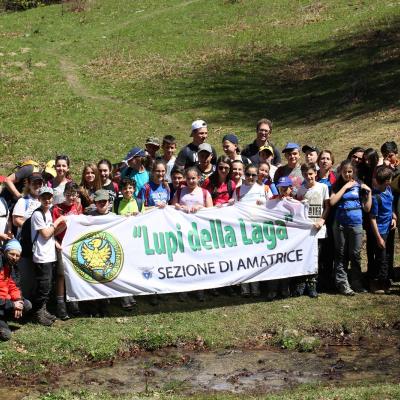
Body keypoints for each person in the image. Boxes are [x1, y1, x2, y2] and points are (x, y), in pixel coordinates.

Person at [330, 160, 372, 295]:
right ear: (340, 172)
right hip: (340, 224)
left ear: (353, 172)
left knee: (355, 254)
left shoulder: (360, 185)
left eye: (350, 172)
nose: (347, 174)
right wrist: (345, 187)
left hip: (356, 224)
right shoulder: (337, 185)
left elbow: (367, 208)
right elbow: (332, 201)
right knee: (341, 254)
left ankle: (356, 282)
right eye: (344, 172)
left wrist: (369, 193)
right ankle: (342, 284)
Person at [172, 167, 212, 302]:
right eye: (188, 178)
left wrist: (201, 208)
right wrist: (178, 207)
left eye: (193, 178)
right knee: (184, 261)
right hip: (183, 233)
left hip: (200, 234)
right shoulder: (180, 191)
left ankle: (200, 290)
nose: (190, 181)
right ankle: (184, 290)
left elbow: (212, 212)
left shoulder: (205, 193)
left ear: (199, 178)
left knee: (200, 261)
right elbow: (171, 209)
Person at [295, 163, 330, 298]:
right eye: (305, 174)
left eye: (311, 174)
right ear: (302, 175)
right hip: (305, 231)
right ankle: (301, 283)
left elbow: (327, 206)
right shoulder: (300, 190)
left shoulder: (323, 187)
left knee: (316, 257)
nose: (308, 176)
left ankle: (312, 284)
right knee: (304, 256)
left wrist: (322, 220)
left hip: (318, 228)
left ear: (315, 173)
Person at [31, 186, 65, 326]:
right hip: (41, 255)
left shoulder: (49, 213)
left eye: (49, 197)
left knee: (48, 285)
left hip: (49, 254)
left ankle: (43, 310)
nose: (47, 200)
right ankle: (37, 313)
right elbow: (45, 234)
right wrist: (57, 222)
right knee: (43, 286)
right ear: (39, 198)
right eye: (44, 197)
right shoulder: (37, 214)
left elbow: (51, 233)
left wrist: (62, 226)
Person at [52, 182, 83, 320]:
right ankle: (60, 303)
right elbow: (53, 231)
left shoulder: (78, 206)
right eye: (69, 195)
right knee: (60, 274)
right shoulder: (57, 209)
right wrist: (65, 222)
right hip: (61, 244)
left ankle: (74, 301)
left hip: (74, 244)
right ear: (64, 194)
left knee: (74, 273)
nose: (71, 197)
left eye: (74, 195)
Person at [12, 173, 43, 299]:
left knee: (38, 276)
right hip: (25, 243)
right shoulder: (23, 201)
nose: (37, 185)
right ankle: (23, 304)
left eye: (40, 183)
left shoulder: (45, 200)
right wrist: (34, 225)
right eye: (34, 183)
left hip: (41, 244)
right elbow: (16, 220)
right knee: (26, 276)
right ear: (29, 185)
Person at [367, 166, 396, 294]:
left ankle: (385, 281)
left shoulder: (389, 190)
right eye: (390, 178)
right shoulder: (375, 197)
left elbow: (390, 206)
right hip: (380, 231)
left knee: (388, 255)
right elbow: (372, 219)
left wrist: (393, 217)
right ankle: (377, 282)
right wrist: (378, 237)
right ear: (386, 181)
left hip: (389, 228)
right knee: (381, 258)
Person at [0, 239, 32, 341]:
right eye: (12, 254)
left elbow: (14, 287)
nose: (14, 258)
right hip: (3, 302)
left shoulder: (12, 267)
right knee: (6, 336)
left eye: (17, 255)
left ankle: (4, 319)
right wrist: (12, 305)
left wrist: (18, 300)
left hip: (4, 302)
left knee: (26, 304)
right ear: (5, 252)